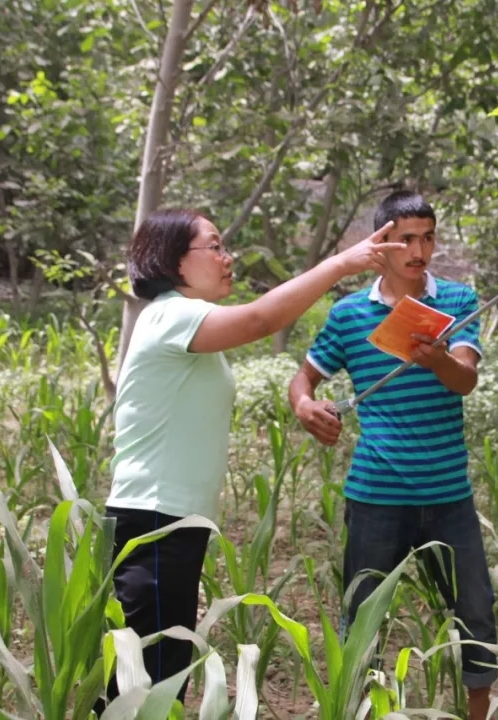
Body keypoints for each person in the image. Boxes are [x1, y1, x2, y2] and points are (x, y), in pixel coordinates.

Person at [97, 208, 403, 710]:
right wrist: (341, 264)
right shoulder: (170, 315)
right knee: (142, 685)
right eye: (214, 246)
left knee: (160, 675)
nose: (227, 257)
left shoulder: (184, 324)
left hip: (173, 520)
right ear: (174, 260)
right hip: (154, 521)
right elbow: (262, 318)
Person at [287, 191, 498, 720]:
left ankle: (478, 711)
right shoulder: (349, 314)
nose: (419, 250)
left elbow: (465, 380)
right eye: (406, 239)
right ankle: (360, 709)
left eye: (427, 238)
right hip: (376, 494)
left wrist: (437, 360)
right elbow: (304, 378)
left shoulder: (457, 301)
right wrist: (305, 406)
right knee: (363, 617)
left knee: (475, 609)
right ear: (381, 244)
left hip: (448, 494)